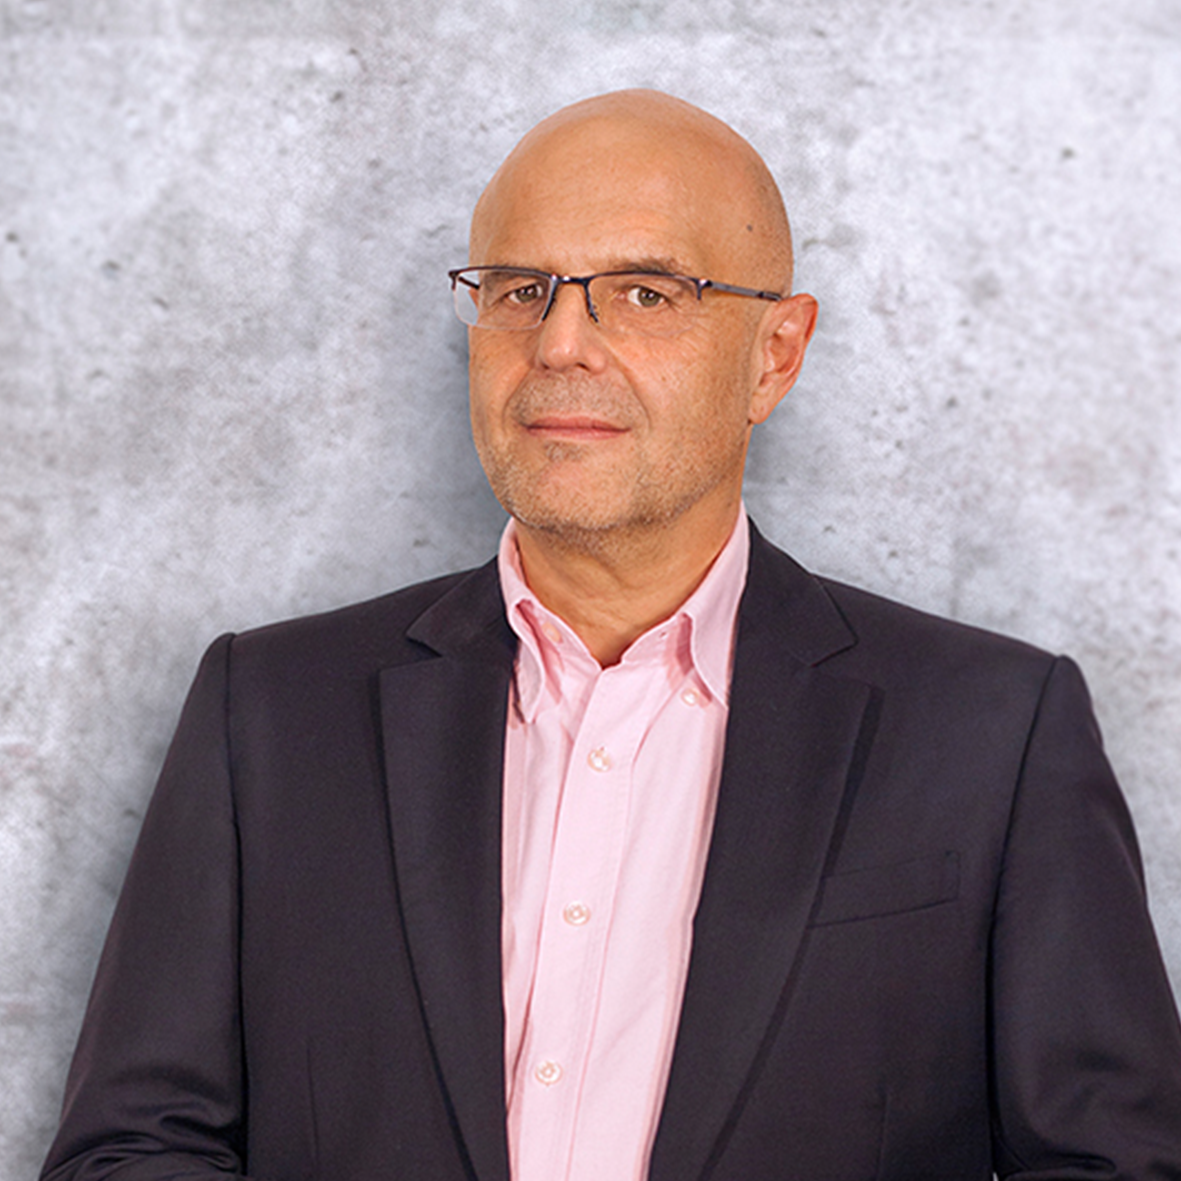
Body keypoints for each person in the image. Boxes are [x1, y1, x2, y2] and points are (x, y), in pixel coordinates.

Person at [40, 89, 1181, 1181]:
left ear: (775, 354)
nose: (560, 345)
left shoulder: (990, 732)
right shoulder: (269, 711)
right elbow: (126, 1149)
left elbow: (1113, 1160)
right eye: (519, 289)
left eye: (643, 293)